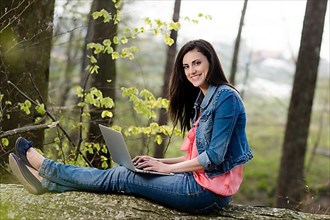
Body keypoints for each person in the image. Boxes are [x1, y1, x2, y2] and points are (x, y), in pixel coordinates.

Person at [9, 39, 253, 213]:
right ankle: (45, 180)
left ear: (211, 61)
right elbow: (197, 157)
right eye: (186, 67)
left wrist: (164, 168)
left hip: (206, 194)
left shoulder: (226, 98)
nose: (191, 71)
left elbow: (214, 158)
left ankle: (46, 168)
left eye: (197, 63)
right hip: (197, 182)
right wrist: (158, 162)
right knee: (126, 171)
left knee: (122, 177)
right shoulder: (204, 98)